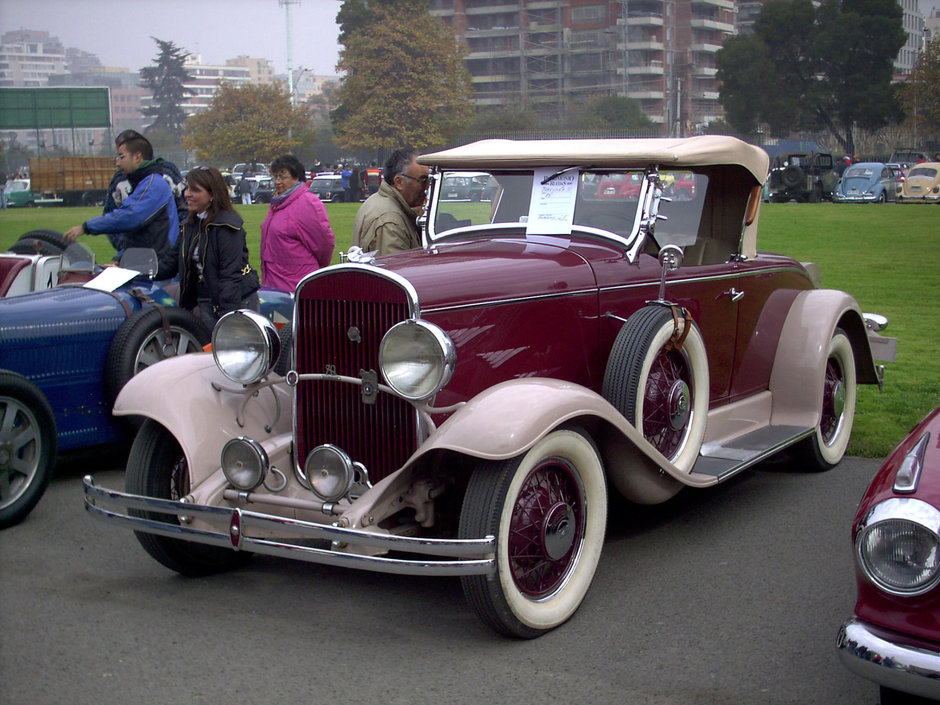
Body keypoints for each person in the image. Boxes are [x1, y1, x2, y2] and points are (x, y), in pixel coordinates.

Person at [64, 132, 179, 276]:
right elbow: (140, 236)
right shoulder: (142, 183)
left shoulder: (153, 184)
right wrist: (119, 259)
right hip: (147, 267)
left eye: (121, 157)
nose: (118, 163)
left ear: (137, 157)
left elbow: (130, 216)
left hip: (159, 272)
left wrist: (86, 227)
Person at [162, 166, 259, 326]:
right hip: (206, 300)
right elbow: (170, 263)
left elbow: (230, 276)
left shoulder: (227, 226)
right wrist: (136, 272)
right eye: (187, 188)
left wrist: (228, 321)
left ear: (212, 194)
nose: (187, 194)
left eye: (195, 190)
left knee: (226, 350)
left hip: (235, 302)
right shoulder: (190, 225)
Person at [100, 129, 186, 256]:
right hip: (135, 256)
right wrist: (124, 248)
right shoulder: (118, 180)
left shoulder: (167, 173)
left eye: (122, 155)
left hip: (168, 255)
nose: (118, 162)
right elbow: (111, 215)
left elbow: (185, 210)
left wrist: (177, 245)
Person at [260, 154, 335, 292]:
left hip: (296, 286)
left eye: (283, 177)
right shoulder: (276, 202)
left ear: (296, 177)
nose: (277, 182)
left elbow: (324, 244)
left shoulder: (308, 203)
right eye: (275, 177)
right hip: (273, 284)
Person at [351, 149, 429, 256]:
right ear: (399, 182)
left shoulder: (382, 204)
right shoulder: (389, 220)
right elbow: (395, 269)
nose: (427, 187)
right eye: (423, 180)